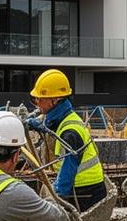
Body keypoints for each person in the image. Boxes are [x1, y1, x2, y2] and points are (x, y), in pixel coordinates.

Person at [24, 68, 106, 211]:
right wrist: (32, 123)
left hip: (84, 191)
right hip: (80, 187)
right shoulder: (60, 116)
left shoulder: (70, 132)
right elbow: (48, 123)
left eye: (40, 99)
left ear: (54, 101)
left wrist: (54, 201)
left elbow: (66, 176)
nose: (36, 103)